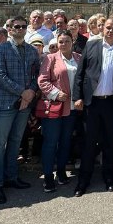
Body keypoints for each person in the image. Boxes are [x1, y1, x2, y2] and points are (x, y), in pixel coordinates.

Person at [72, 18, 113, 196]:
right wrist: (78, 97)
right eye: (108, 27)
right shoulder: (91, 46)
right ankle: (83, 180)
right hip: (92, 103)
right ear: (102, 29)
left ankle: (109, 177)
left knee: (109, 143)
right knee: (89, 143)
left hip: (111, 103)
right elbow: (80, 73)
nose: (110, 30)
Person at [0, 15, 40, 204]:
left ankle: (11, 177)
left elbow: (37, 75)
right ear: (9, 29)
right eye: (16, 26)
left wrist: (31, 92)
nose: (19, 29)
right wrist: (23, 93)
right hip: (5, 104)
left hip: (24, 105)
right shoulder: (0, 50)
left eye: (23, 26)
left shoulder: (32, 50)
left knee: (15, 141)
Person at [37, 30, 81, 193]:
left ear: (72, 42)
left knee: (65, 141)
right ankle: (48, 176)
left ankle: (61, 171)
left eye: (67, 41)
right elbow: (42, 80)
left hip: (72, 108)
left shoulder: (78, 58)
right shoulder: (50, 58)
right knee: (50, 142)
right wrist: (56, 93)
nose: (64, 44)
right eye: (61, 41)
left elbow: (82, 79)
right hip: (54, 107)